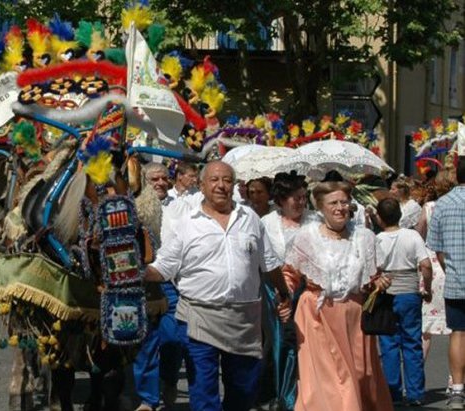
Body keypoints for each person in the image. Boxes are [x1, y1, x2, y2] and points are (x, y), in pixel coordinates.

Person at [145, 161, 291, 411]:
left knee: (244, 392)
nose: (221, 186)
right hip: (198, 317)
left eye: (226, 180)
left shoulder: (251, 219)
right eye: (214, 180)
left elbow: (268, 263)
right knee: (204, 391)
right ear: (201, 186)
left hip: (243, 320)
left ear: (234, 185)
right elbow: (164, 267)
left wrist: (283, 293)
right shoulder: (186, 223)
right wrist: (130, 271)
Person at [284, 181, 393, 411]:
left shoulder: (364, 237)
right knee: (331, 378)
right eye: (333, 203)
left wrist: (379, 282)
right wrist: (283, 298)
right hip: (316, 315)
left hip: (354, 317)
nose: (340, 207)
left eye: (344, 202)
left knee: (361, 374)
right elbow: (290, 274)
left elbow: (374, 275)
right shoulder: (307, 236)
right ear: (321, 208)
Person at [259, 172, 316, 409]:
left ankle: (301, 394)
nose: (301, 203)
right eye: (296, 198)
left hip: (307, 287)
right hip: (274, 288)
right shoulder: (267, 223)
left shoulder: (314, 220)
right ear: (281, 200)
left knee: (305, 341)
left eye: (304, 197)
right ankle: (278, 394)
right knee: (280, 341)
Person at [133, 163, 185, 411]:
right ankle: (148, 399)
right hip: (142, 284)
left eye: (166, 178)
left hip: (171, 284)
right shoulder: (134, 208)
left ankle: (170, 379)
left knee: (173, 339)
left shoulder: (182, 207)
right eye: (155, 178)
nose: (162, 183)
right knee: (145, 343)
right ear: (144, 180)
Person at [375, 197, 432, 406]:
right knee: (412, 343)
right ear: (400, 215)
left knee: (389, 344)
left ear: (379, 218)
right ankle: (415, 393)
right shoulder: (412, 236)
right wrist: (427, 286)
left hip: (386, 293)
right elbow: (425, 265)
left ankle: (393, 393)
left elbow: (373, 268)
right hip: (409, 293)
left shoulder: (377, 238)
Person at [427, 157, 465, 410]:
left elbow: (436, 247)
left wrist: (449, 268)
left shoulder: (443, 203)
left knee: (458, 334)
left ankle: (457, 390)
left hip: (456, 280)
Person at [416, 171, 454, 360]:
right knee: (456, 331)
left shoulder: (429, 207)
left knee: (425, 330)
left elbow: (419, 233)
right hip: (451, 265)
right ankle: (454, 378)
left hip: (430, 267)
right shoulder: (457, 206)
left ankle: (418, 377)